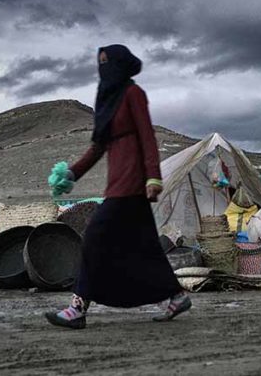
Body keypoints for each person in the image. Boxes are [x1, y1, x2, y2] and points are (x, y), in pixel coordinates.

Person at [44, 45, 190, 329]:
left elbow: (148, 136)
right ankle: (175, 296)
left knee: (94, 237)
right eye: (100, 64)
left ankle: (77, 308)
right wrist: (71, 174)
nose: (104, 70)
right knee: (145, 247)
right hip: (118, 185)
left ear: (121, 66)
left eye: (107, 63)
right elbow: (97, 149)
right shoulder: (107, 101)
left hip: (132, 184)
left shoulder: (133, 93)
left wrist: (153, 176)